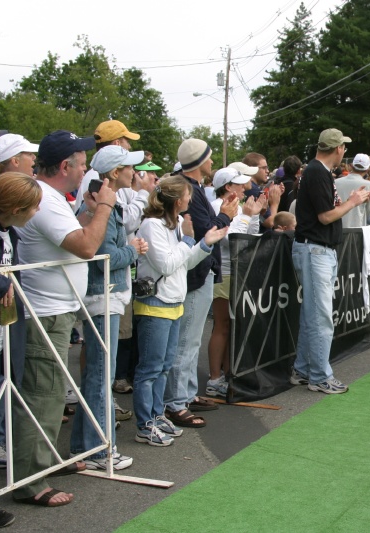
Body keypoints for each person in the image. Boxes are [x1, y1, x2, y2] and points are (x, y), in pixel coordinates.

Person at [13, 130, 117, 507]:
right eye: (82, 161)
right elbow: (87, 246)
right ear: (64, 166)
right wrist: (103, 207)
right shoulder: (45, 200)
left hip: (55, 310)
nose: (87, 167)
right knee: (43, 395)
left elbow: (73, 235)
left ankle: (43, 464)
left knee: (52, 393)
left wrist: (89, 210)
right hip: (47, 312)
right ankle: (30, 481)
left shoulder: (51, 198)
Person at [69, 146, 148, 470]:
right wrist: (132, 251)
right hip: (103, 296)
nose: (136, 173)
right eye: (129, 167)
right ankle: (100, 451)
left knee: (97, 375)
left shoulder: (109, 202)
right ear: (115, 173)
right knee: (101, 376)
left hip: (107, 296)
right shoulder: (106, 203)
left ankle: (83, 446)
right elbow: (101, 256)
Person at [133, 175, 228, 444]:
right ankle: (145, 423)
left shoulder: (173, 226)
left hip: (173, 301)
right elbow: (165, 264)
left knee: (163, 367)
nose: (191, 199)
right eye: (187, 195)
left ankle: (156, 414)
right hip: (156, 304)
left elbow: (182, 264)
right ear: (177, 200)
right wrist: (188, 240)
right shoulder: (152, 225)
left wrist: (205, 243)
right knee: (150, 368)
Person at [290, 128, 370, 394]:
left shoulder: (318, 171)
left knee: (312, 314)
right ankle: (319, 376)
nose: (344, 152)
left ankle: (303, 370)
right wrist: (354, 201)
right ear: (338, 149)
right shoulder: (316, 172)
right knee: (321, 316)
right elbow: (326, 216)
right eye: (343, 148)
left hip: (318, 250)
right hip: (315, 250)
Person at [165, 139, 238, 424]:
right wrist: (225, 216)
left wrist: (223, 214)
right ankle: (176, 401)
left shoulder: (194, 188)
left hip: (201, 270)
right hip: (195, 273)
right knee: (187, 340)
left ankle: (186, 393)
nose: (212, 162)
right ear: (199, 162)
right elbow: (203, 232)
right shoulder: (189, 190)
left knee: (192, 340)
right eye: (209, 157)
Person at [0, 173, 42, 527]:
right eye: (33, 206)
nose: (38, 212)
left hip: (0, 331)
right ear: (14, 208)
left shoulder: (10, 232)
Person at [206, 168, 262, 399]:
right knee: (222, 325)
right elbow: (231, 240)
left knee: (232, 326)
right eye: (238, 184)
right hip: (223, 272)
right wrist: (248, 216)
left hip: (237, 273)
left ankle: (227, 373)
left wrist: (254, 215)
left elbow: (251, 235)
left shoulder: (237, 207)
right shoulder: (216, 206)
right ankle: (214, 379)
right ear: (227, 187)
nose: (244, 187)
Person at [335, 153, 370, 227]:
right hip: (358, 228)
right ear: (367, 169)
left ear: (351, 166)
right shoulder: (369, 185)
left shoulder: (336, 182)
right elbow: (369, 212)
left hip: (338, 227)